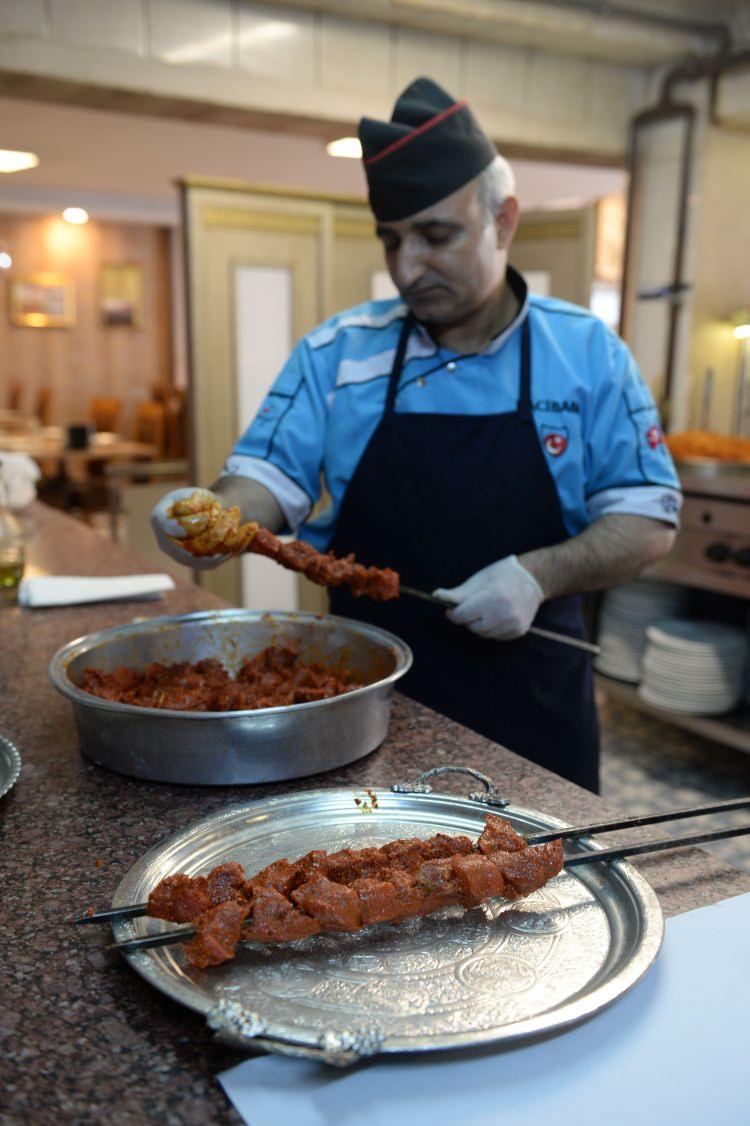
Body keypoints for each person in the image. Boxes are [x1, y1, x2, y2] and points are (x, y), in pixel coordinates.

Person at [152, 76, 681, 793]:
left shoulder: (588, 354)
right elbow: (266, 481)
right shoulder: (336, 353)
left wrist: (537, 575)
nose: (407, 268)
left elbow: (648, 518)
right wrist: (210, 519)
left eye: (436, 236)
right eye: (392, 240)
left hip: (533, 709)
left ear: (504, 220)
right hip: (360, 704)